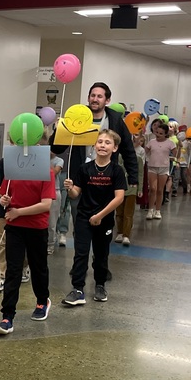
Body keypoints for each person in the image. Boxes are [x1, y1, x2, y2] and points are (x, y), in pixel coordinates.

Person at [62, 130, 128, 306]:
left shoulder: (117, 171)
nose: (103, 145)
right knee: (81, 253)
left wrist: (100, 215)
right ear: (94, 145)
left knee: (101, 255)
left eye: (107, 143)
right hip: (84, 217)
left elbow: (119, 198)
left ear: (114, 148)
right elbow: (76, 194)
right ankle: (77, 289)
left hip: (104, 219)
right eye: (100, 142)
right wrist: (70, 188)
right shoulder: (85, 169)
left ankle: (100, 285)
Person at [0, 162, 56, 334]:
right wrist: (4, 200)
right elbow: (4, 195)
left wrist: (19, 212)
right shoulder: (14, 170)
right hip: (15, 226)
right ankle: (7, 316)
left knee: (38, 267)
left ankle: (43, 301)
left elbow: (46, 204)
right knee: (13, 269)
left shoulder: (46, 171)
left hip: (37, 227)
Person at [50, 81, 138, 190]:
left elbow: (127, 149)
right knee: (77, 206)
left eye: (99, 96)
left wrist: (133, 176)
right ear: (88, 98)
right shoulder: (77, 117)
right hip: (80, 176)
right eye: (93, 95)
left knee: (105, 207)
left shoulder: (115, 120)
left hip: (106, 178)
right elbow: (56, 148)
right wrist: (58, 131)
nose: (95, 99)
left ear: (107, 100)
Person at [0, 153, 29, 292]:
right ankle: (0, 274)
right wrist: (3, 194)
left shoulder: (35, 163)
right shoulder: (5, 161)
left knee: (25, 240)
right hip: (5, 208)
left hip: (27, 209)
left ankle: (24, 266)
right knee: (2, 241)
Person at [114, 132, 144, 246]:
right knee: (119, 212)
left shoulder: (137, 159)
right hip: (118, 189)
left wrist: (139, 189)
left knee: (128, 213)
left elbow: (140, 175)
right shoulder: (116, 158)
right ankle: (120, 232)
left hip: (132, 188)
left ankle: (126, 235)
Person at [144, 118, 176, 220]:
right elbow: (145, 151)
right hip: (152, 167)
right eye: (157, 132)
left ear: (166, 134)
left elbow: (175, 154)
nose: (158, 135)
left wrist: (176, 152)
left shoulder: (170, 143)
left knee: (160, 190)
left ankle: (158, 210)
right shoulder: (152, 142)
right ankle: (150, 210)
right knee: (152, 189)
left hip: (163, 168)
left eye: (161, 133)